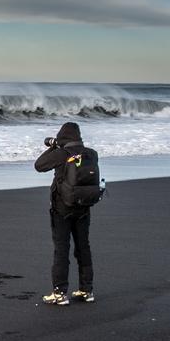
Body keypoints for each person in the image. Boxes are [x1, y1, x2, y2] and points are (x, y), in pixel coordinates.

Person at [34, 122, 98, 306]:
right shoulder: (91, 153)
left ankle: (60, 293)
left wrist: (54, 147)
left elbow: (39, 165)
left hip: (62, 209)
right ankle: (87, 290)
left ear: (62, 136)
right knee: (83, 248)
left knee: (61, 249)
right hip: (84, 206)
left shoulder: (62, 154)